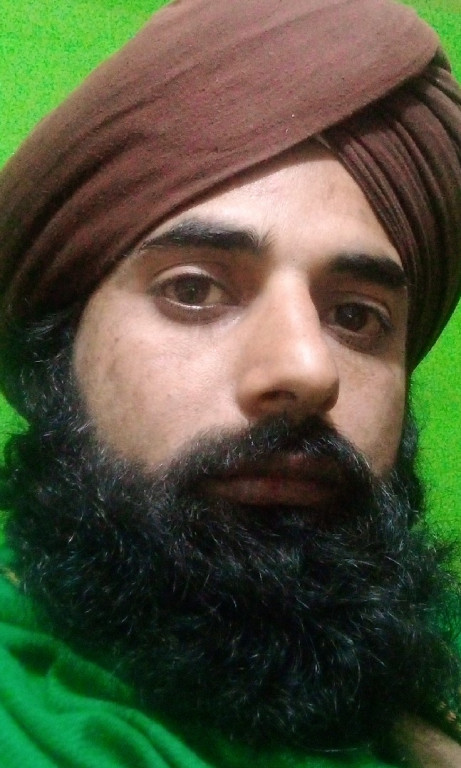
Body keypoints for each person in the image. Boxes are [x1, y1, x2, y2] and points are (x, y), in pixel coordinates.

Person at [0, 0, 460, 766]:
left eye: (354, 315)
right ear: (58, 358)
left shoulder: (428, 652)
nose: (306, 370)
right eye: (193, 291)